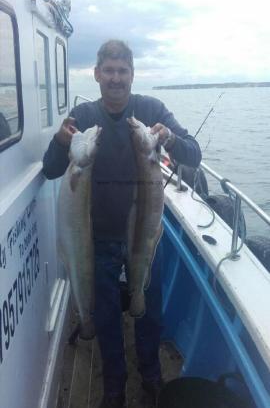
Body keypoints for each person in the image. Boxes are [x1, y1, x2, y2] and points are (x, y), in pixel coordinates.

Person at [43, 40, 202, 408]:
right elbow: (53, 169)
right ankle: (114, 388)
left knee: (149, 311)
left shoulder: (151, 109)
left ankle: (151, 377)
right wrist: (58, 140)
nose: (116, 78)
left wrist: (170, 138)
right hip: (95, 240)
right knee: (107, 319)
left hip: (143, 237)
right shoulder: (82, 117)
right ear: (97, 74)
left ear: (132, 75)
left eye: (123, 71)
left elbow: (193, 153)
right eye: (109, 71)